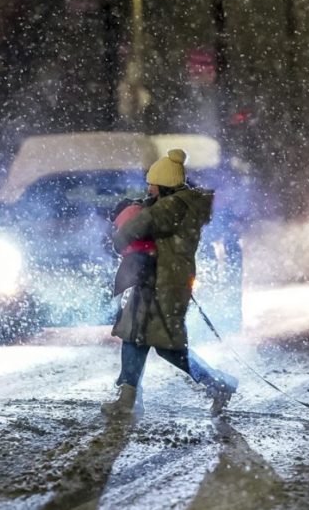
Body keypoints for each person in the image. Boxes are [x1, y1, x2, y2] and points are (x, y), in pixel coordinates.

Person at [102, 149, 238, 418]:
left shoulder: (174, 207)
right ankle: (128, 398)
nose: (148, 188)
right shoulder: (176, 204)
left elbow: (143, 222)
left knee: (168, 347)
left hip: (163, 285)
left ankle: (218, 384)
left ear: (163, 184)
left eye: (152, 183)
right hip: (156, 282)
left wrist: (118, 240)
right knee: (134, 336)